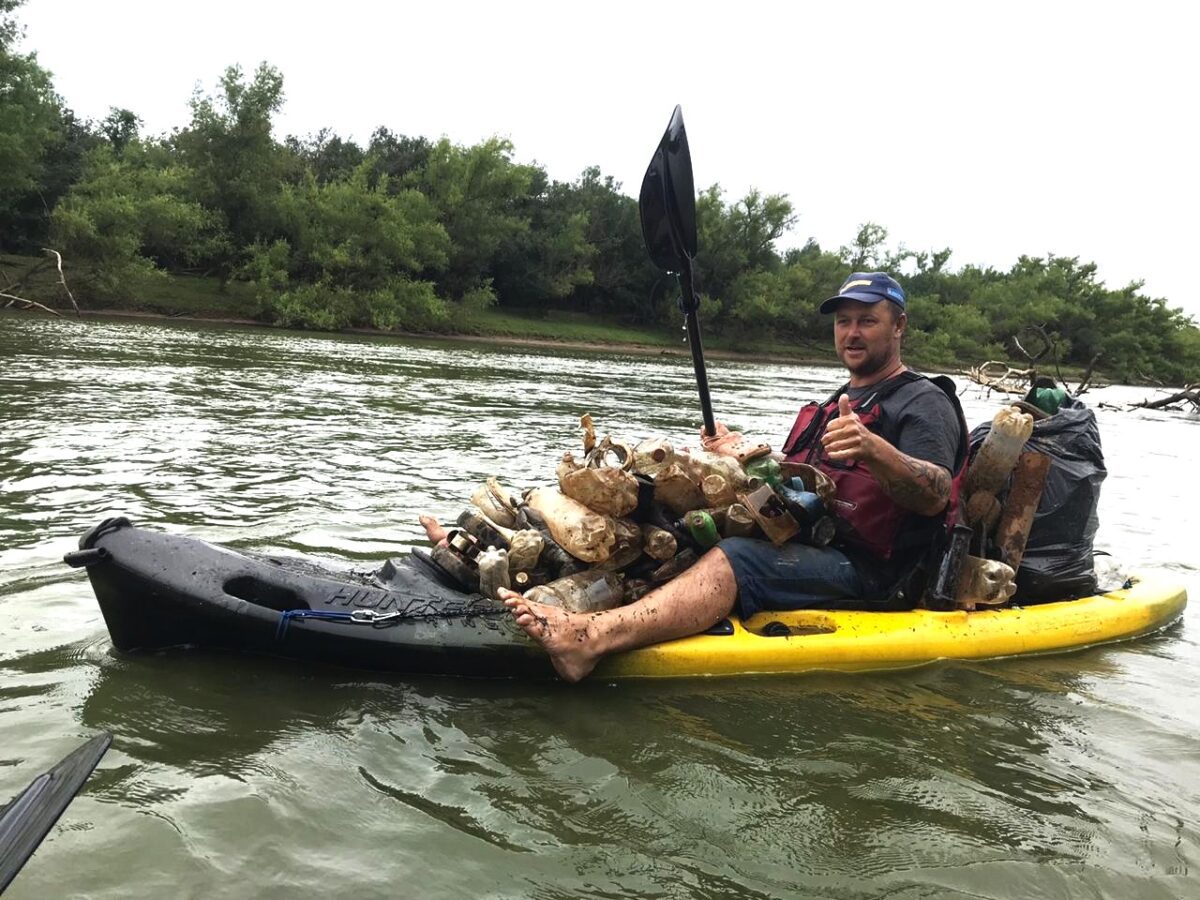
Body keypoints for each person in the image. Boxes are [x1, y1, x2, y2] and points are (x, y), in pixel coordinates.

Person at [475, 272, 967, 681]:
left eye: (867, 320)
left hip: (869, 568)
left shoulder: (922, 401)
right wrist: (735, 454)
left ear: (899, 325)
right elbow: (793, 480)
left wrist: (878, 452)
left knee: (735, 557)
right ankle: (519, 560)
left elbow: (935, 494)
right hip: (809, 539)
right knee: (666, 507)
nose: (852, 332)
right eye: (844, 322)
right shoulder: (830, 406)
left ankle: (590, 639)